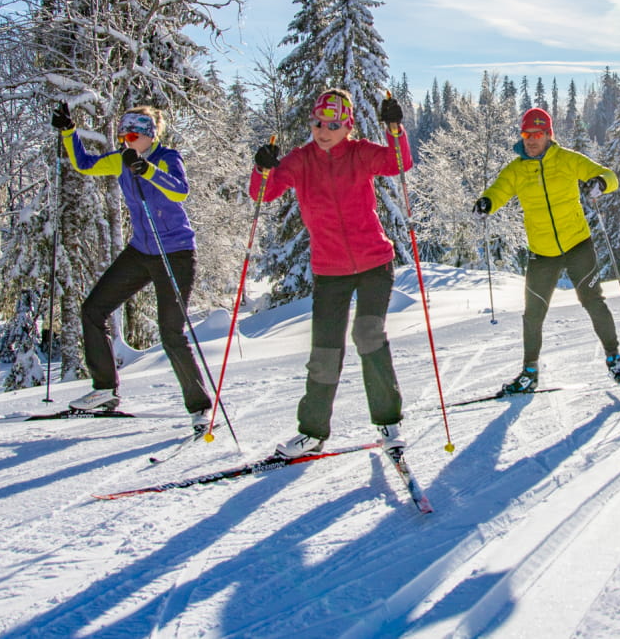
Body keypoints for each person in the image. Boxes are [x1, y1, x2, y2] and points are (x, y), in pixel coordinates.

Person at [249, 89, 414, 460]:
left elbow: (398, 163)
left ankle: (388, 422)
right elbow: (263, 193)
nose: (323, 131)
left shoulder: (360, 153)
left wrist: (395, 128)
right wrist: (262, 167)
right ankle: (312, 432)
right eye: (318, 123)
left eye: (333, 125)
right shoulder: (300, 160)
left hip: (374, 262)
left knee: (368, 333)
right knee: (325, 350)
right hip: (329, 269)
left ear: (348, 127)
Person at [51, 102, 212, 434]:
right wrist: (69, 131)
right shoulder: (121, 160)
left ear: (149, 135)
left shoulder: (167, 156)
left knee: (171, 334)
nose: (126, 139)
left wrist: (147, 170)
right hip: (141, 251)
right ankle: (105, 390)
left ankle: (200, 408)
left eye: (133, 133)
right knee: (93, 310)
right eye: (122, 133)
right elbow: (83, 164)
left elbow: (180, 191)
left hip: (176, 253)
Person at [474, 107, 620, 394]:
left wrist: (601, 182)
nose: (532, 140)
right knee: (533, 313)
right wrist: (487, 202)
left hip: (577, 245)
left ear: (548, 135)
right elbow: (499, 190)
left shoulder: (567, 159)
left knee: (593, 301)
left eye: (538, 134)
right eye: (527, 134)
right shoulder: (516, 169)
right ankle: (529, 373)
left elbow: (608, 175)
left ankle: (614, 358)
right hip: (542, 252)